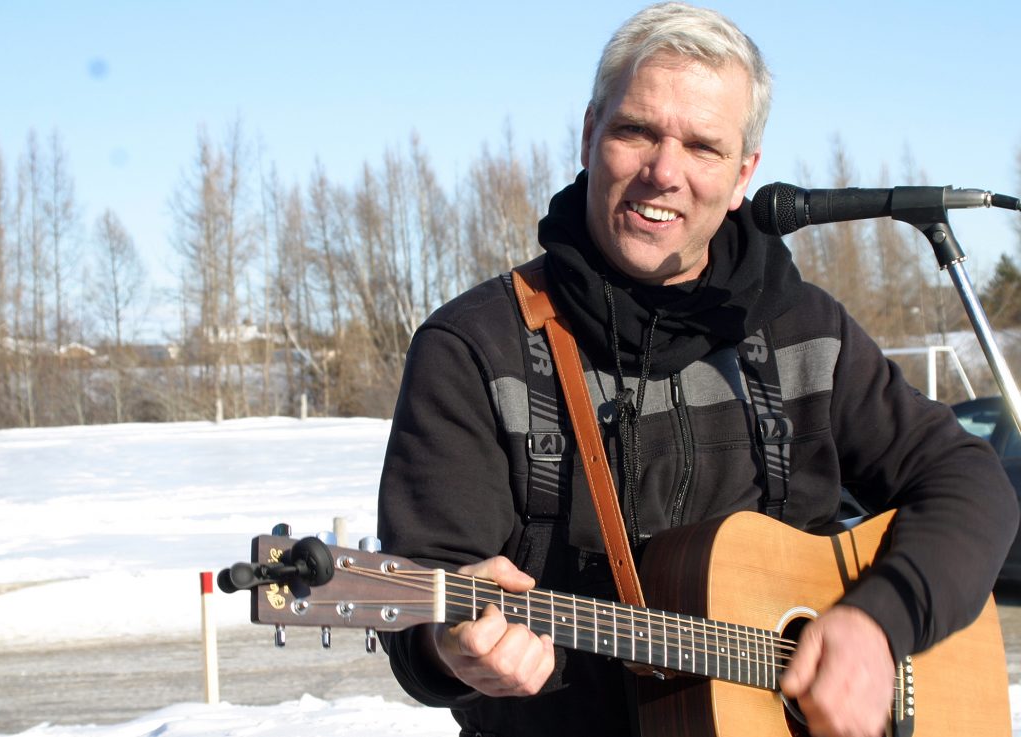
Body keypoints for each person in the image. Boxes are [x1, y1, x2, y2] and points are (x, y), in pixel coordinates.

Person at [376, 3, 1019, 736]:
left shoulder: (802, 328)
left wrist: (881, 623)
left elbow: (973, 483)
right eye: (635, 131)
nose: (664, 173)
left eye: (704, 147)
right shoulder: (473, 348)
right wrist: (448, 642)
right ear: (589, 135)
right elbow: (421, 600)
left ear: (745, 173)